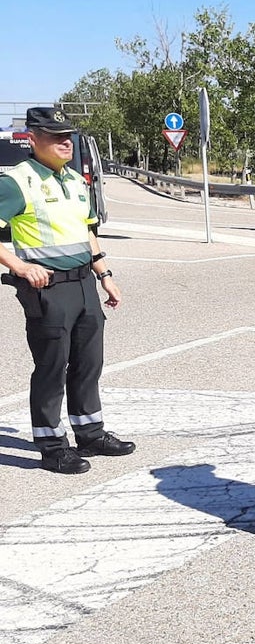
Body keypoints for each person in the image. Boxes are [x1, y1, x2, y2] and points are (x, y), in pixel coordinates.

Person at [0, 107, 134, 474]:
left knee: (89, 363)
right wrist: (21, 266)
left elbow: (87, 231)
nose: (65, 142)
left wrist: (105, 273)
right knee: (51, 367)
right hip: (47, 291)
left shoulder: (75, 180)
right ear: (33, 138)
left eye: (68, 135)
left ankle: (90, 434)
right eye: (56, 136)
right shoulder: (17, 181)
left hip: (84, 284)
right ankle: (52, 446)